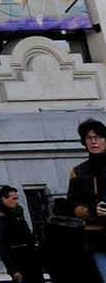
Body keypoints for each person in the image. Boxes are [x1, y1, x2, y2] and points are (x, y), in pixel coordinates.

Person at [68, 118, 106, 281]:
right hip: (97, 237)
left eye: (97, 137)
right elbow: (72, 204)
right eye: (88, 138)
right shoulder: (78, 171)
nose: (93, 141)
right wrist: (90, 210)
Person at [0, 185, 45, 283]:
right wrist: (13, 269)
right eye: (14, 199)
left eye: (17, 198)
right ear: (4, 199)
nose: (17, 201)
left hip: (31, 258)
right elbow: (0, 245)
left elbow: (27, 233)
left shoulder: (18, 212)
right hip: (17, 259)